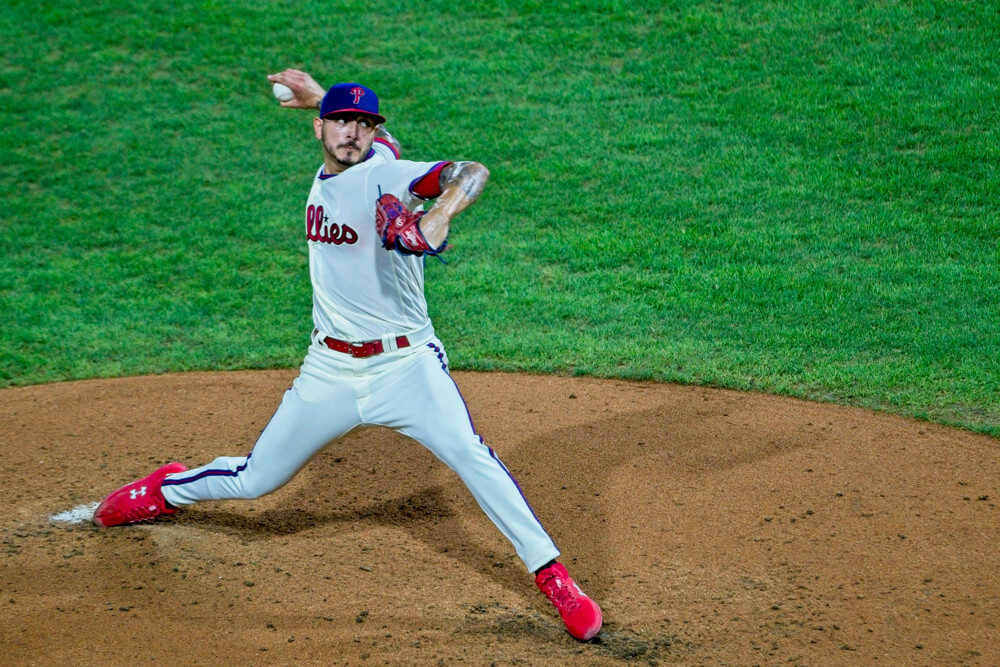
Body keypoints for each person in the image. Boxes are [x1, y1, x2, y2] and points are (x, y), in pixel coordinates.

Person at [93, 69, 602, 642]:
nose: (353, 133)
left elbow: (470, 172)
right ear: (319, 129)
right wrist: (320, 96)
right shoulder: (352, 163)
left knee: (470, 453)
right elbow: (375, 144)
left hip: (406, 365)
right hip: (329, 371)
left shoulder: (388, 175)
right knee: (257, 479)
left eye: (363, 124)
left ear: (373, 134)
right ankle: (166, 490)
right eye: (341, 121)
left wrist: (437, 215)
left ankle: (553, 576)